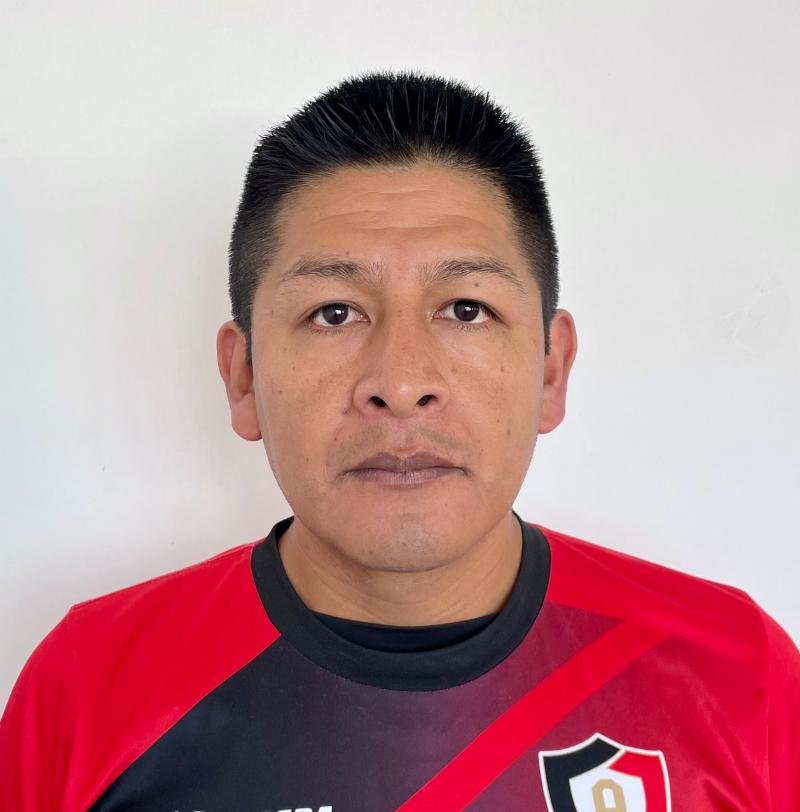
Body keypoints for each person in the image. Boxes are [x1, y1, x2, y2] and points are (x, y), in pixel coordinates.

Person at [1, 69, 798, 812]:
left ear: (551, 371)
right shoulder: (88, 690)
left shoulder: (739, 677)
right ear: (243, 379)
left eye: (466, 309)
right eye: (334, 312)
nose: (402, 380)